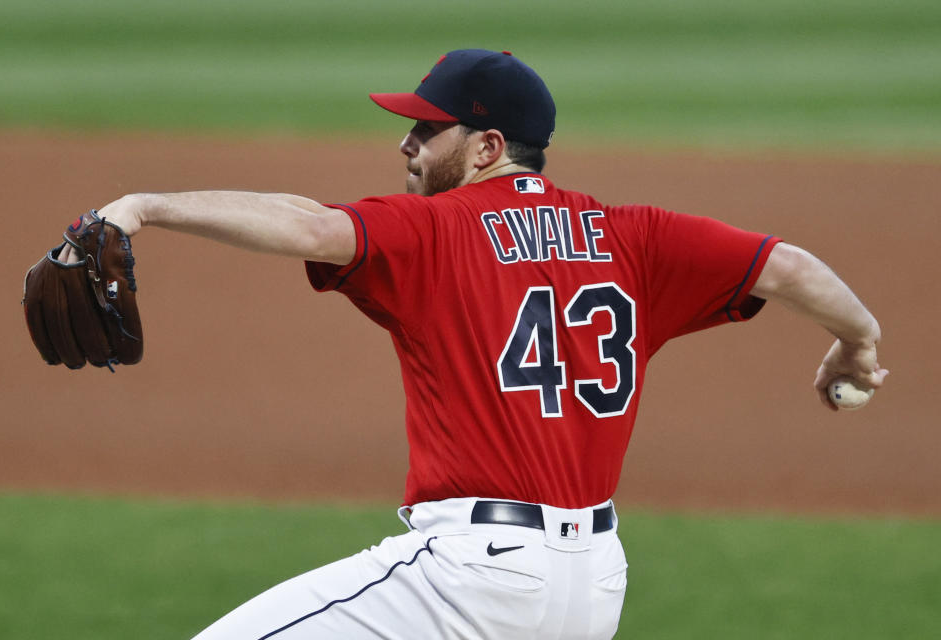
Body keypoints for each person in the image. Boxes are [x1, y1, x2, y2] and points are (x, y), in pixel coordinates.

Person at [61, 49, 888, 639]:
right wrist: (858, 341)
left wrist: (144, 206)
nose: (405, 145)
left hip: (472, 579)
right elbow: (787, 265)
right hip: (593, 589)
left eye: (427, 130)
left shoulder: (440, 230)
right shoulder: (633, 237)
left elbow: (311, 224)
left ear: (488, 148)